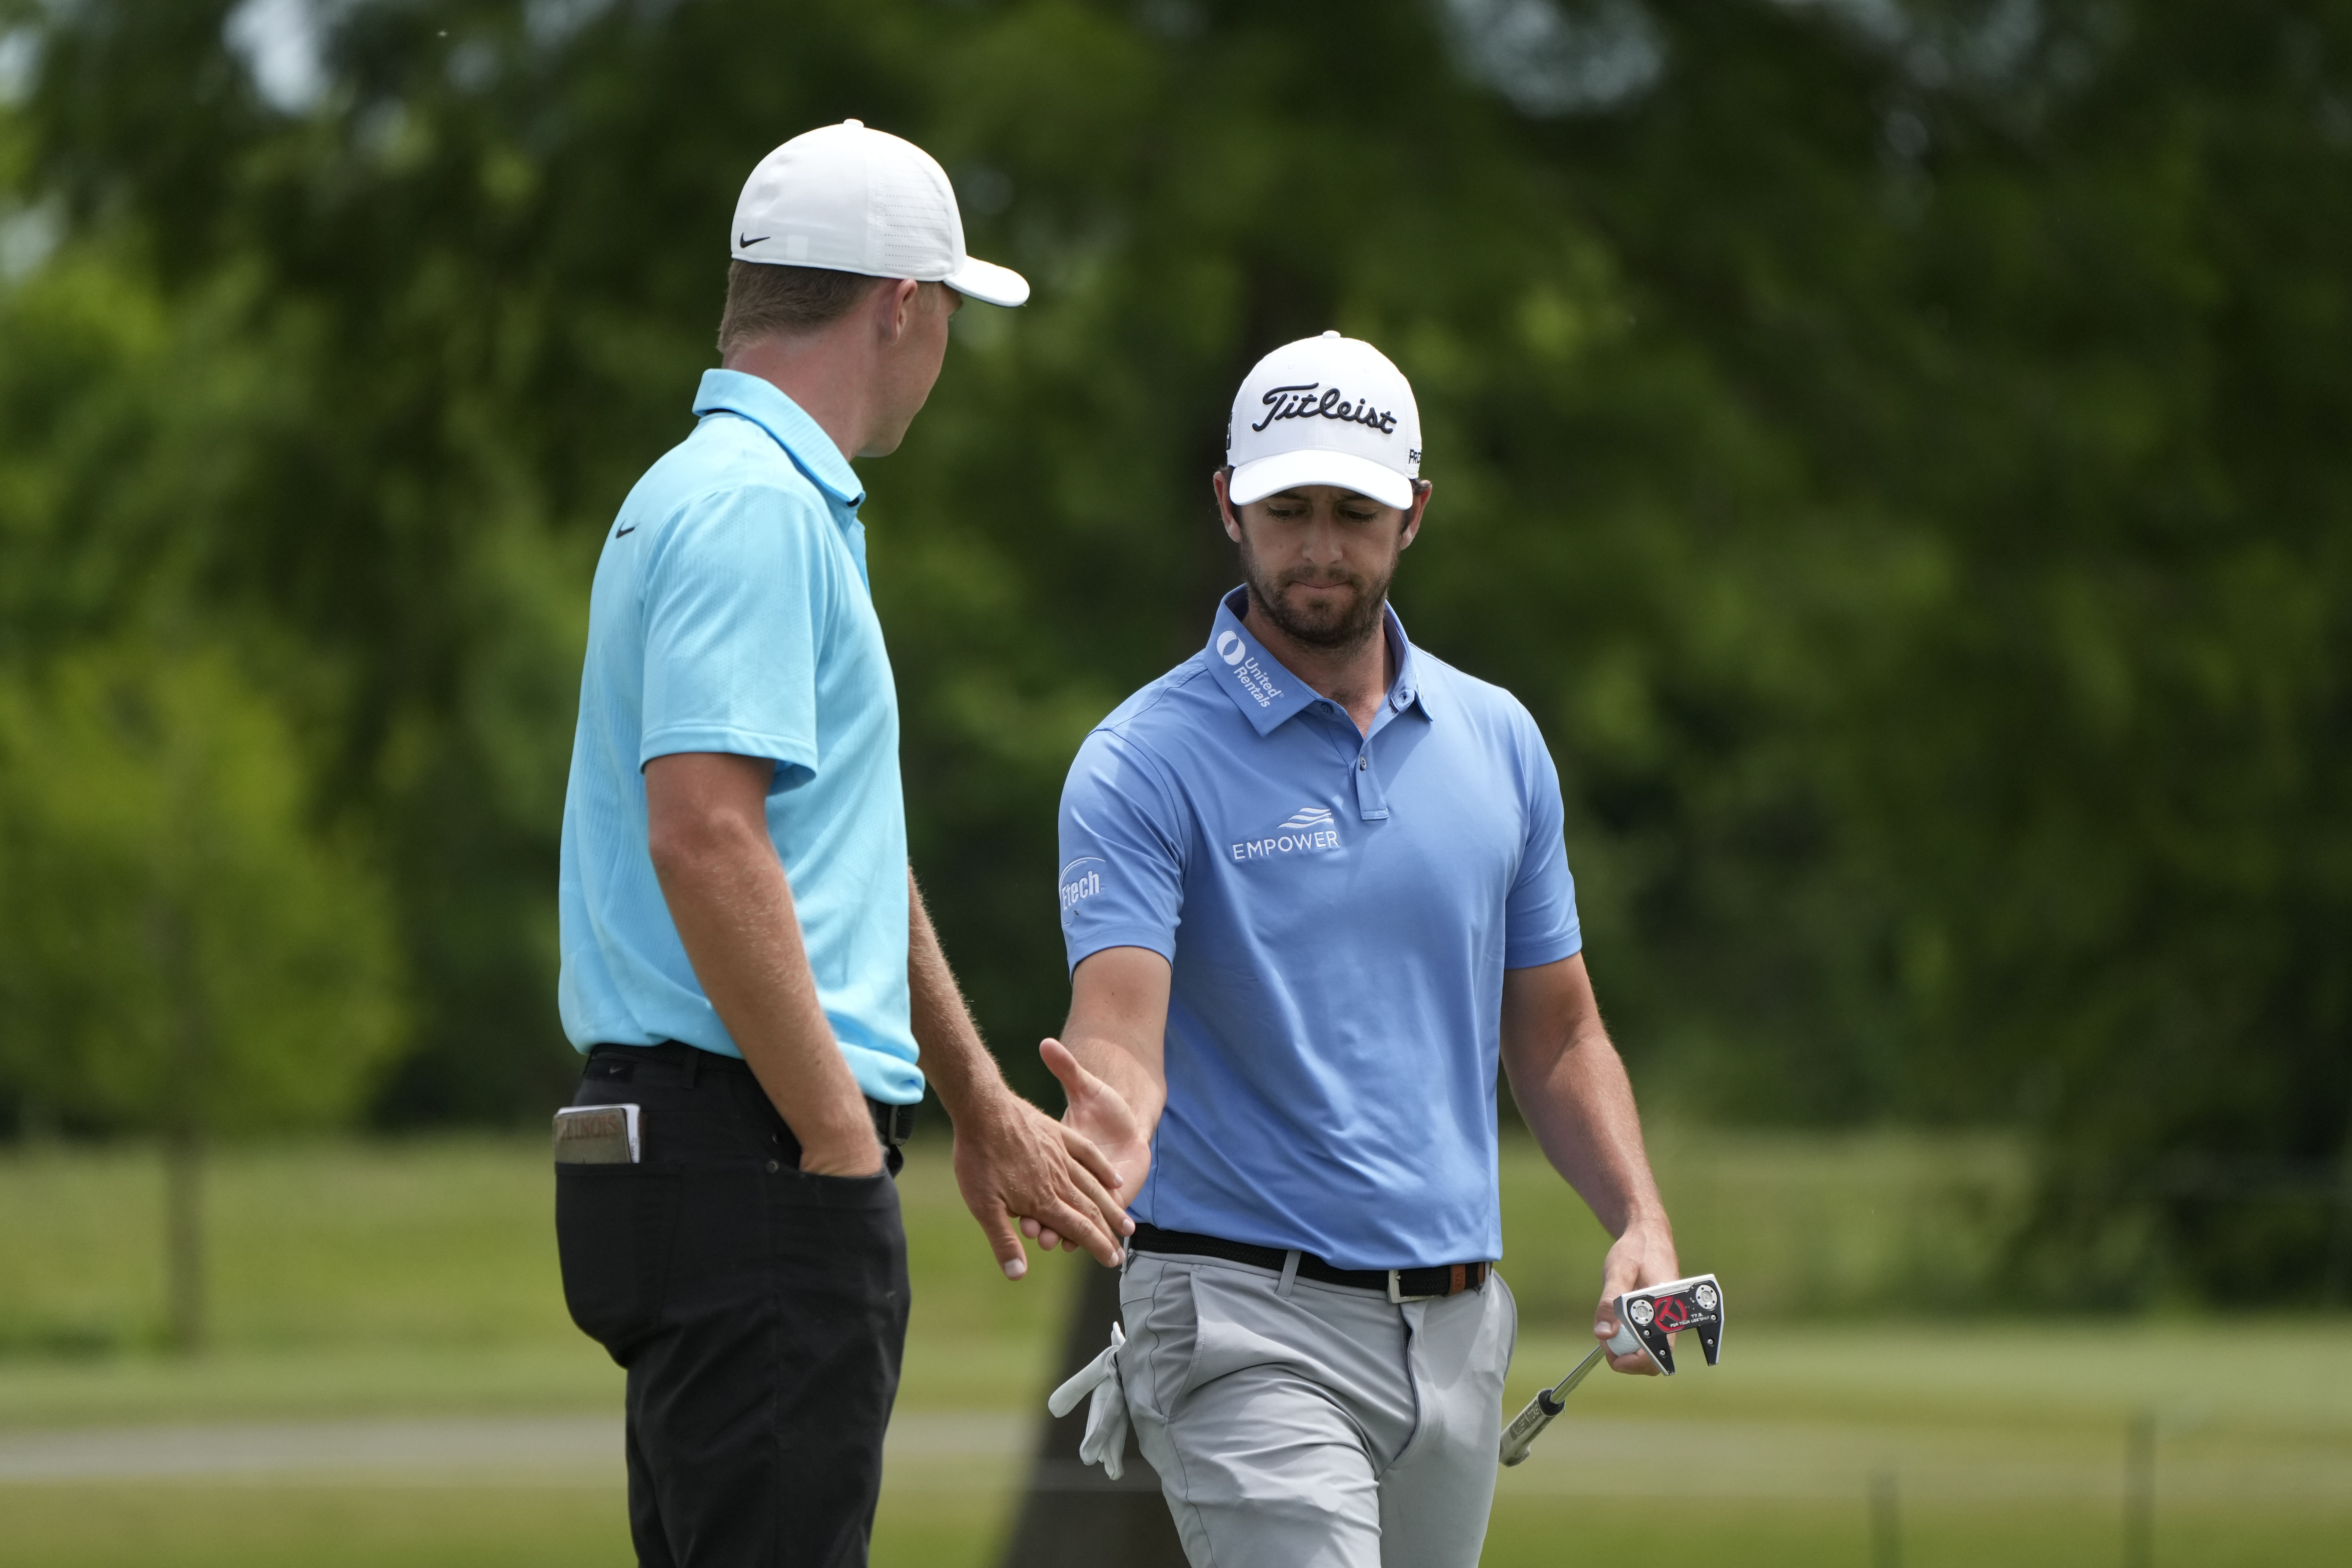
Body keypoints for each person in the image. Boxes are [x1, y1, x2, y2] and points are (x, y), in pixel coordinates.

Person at [552, 120, 1130, 1568]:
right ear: (902, 306)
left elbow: (829, 854)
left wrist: (977, 1101)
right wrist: (831, 1140)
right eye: (945, 321)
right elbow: (704, 836)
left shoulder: (714, 490)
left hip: (703, 1149)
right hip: (756, 1155)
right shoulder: (756, 509)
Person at [1039, 331, 1683, 1567]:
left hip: (1455, 1331)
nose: (1321, 547)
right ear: (1229, 505)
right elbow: (1120, 1021)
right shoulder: (1142, 760)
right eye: (1288, 508)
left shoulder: (1499, 742)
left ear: (1415, 514)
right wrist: (1110, 1124)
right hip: (1238, 1321)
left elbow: (1555, 1034)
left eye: (1354, 510)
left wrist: (1638, 1217)